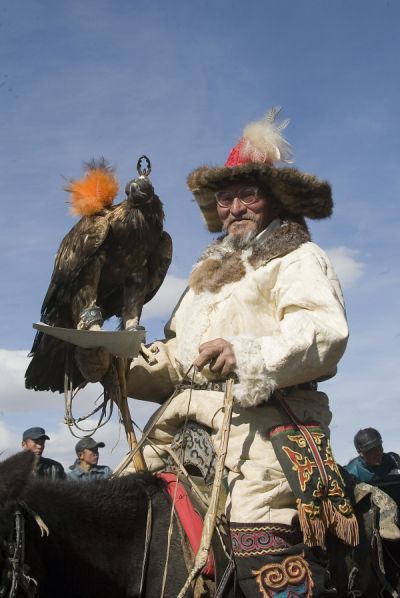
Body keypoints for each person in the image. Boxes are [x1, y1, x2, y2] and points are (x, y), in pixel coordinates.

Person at [77, 108, 357, 596]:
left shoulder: (298, 259)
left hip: (266, 426)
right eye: (225, 199)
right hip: (181, 428)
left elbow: (323, 332)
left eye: (247, 195)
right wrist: (113, 364)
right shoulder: (202, 282)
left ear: (273, 201)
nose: (235, 207)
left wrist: (246, 353)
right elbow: (177, 362)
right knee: (109, 513)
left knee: (258, 535)